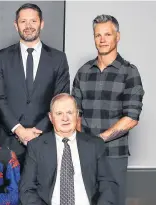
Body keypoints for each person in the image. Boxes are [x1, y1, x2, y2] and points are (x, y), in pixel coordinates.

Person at [71, 15, 144, 205]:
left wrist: (99, 140)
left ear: (117, 37)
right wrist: (84, 145)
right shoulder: (83, 72)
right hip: (86, 154)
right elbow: (75, 112)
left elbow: (132, 117)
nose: (102, 40)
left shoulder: (129, 72)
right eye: (98, 35)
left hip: (114, 155)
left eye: (107, 34)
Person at [0, 3, 70, 166]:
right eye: (23, 22)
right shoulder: (2, 57)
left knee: (43, 190)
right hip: (9, 140)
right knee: (9, 190)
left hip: (45, 139)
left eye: (33, 21)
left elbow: (60, 100)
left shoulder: (58, 58)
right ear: (16, 25)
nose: (28, 26)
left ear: (41, 23)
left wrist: (37, 131)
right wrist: (18, 129)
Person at [20, 93, 117, 205]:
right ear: (51, 117)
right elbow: (27, 189)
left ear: (77, 115)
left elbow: (108, 185)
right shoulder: (36, 147)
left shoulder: (95, 145)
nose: (65, 118)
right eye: (59, 113)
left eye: (69, 112)